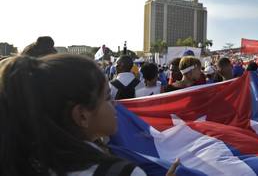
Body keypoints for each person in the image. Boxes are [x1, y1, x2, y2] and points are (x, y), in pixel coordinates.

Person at [0, 54, 153, 175]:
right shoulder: (120, 172)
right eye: (107, 97)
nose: (115, 103)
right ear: (82, 115)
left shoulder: (20, 164)